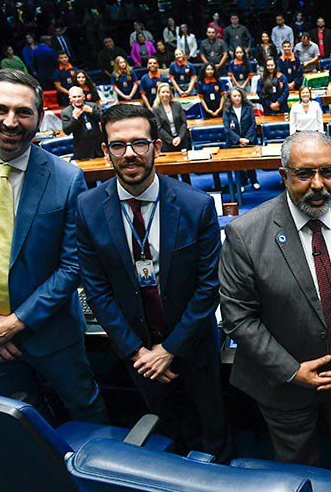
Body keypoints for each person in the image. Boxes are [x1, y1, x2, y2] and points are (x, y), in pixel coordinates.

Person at [219, 131, 331, 482]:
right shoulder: (245, 234)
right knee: (298, 475)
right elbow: (239, 317)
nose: (318, 184)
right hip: (285, 386)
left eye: (328, 172)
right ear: (284, 175)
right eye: (304, 174)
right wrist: (291, 371)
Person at [77, 103, 229, 461]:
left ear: (157, 147)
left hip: (192, 344)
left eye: (139, 143)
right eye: (118, 145)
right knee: (163, 432)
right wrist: (138, 352)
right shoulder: (87, 207)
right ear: (106, 151)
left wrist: (169, 349)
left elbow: (210, 287)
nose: (129, 154)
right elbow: (96, 289)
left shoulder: (197, 205)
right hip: (138, 351)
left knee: (212, 429)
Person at [0, 69, 108, 423]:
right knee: (19, 422)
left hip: (52, 331)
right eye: (0, 109)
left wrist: (15, 322)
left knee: (85, 408)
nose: (11, 122)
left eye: (23, 112)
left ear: (40, 117)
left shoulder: (66, 177)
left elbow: (73, 265)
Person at [223, 87, 259, 191]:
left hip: (248, 140)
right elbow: (227, 129)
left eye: (239, 96)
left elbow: (253, 124)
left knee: (250, 163)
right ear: (230, 98)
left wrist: (247, 139)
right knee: (237, 163)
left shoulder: (248, 107)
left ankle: (254, 180)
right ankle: (241, 182)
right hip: (234, 141)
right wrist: (239, 140)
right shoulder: (227, 110)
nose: (237, 98)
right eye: (234, 96)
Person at [61, 85, 103, 159]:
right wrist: (74, 118)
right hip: (82, 150)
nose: (77, 99)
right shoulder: (66, 112)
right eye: (74, 97)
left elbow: (104, 119)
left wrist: (92, 112)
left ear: (84, 97)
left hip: (99, 148)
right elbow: (66, 131)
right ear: (70, 99)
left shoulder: (92, 106)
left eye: (79, 96)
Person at [152, 83, 190, 152]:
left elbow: (184, 123)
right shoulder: (156, 108)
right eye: (163, 92)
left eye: (167, 92)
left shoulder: (177, 105)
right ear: (159, 94)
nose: (165, 94)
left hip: (181, 141)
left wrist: (179, 137)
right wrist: (171, 140)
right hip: (166, 143)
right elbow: (159, 128)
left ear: (170, 93)